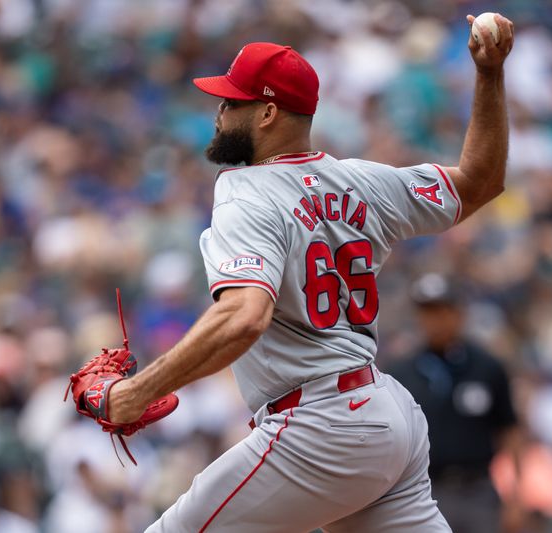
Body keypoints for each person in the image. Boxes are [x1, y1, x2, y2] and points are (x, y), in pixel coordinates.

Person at [105, 13, 514, 532]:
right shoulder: (362, 181)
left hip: (321, 425)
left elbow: (244, 316)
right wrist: (491, 75)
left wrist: (133, 393)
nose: (219, 112)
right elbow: (480, 181)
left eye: (231, 102)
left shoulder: (245, 190)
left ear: (268, 112)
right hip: (387, 417)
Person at [387, 273, 522, 533]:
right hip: (424, 492)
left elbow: (510, 431)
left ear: (458, 313)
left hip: (478, 490)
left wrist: (515, 496)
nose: (434, 320)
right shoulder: (400, 373)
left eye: (441, 310)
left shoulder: (487, 367)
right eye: (427, 312)